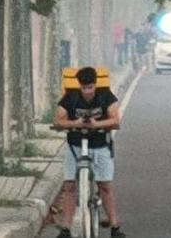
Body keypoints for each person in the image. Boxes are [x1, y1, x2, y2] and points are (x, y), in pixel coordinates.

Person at [51, 66, 125, 238]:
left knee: (105, 186)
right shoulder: (70, 97)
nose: (87, 91)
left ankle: (115, 227)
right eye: (84, 88)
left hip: (100, 145)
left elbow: (115, 119)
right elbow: (58, 120)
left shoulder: (106, 95)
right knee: (69, 186)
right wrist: (76, 122)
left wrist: (96, 124)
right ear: (79, 86)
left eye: (90, 87)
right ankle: (66, 228)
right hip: (75, 145)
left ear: (95, 84)